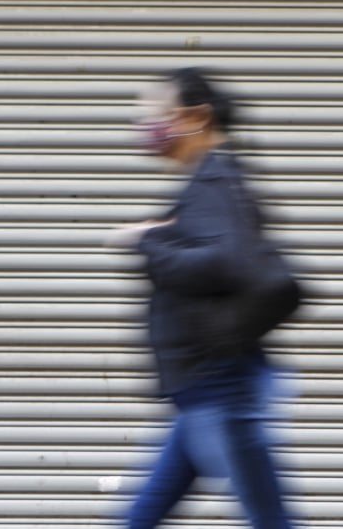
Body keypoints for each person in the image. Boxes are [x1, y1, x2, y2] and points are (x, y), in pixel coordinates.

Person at [106, 68, 294, 529]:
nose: (150, 125)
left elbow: (229, 262)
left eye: (161, 114)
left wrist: (150, 241)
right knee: (140, 517)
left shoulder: (214, 180)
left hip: (221, 388)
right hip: (203, 389)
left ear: (197, 118)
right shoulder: (208, 182)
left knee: (269, 521)